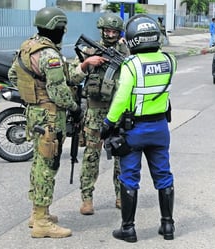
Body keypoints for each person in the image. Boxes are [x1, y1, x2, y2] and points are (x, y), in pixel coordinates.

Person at [99, 14, 176, 243]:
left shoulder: (130, 65)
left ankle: (128, 229)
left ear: (132, 39)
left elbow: (122, 98)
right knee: (163, 175)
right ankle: (168, 225)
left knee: (130, 177)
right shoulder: (170, 60)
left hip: (134, 130)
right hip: (160, 127)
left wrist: (108, 123)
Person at [8, 6, 80, 238]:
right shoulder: (49, 55)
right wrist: (75, 108)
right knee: (47, 167)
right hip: (49, 116)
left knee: (39, 164)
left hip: (34, 113)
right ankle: (41, 222)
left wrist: (34, 92)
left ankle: (38, 213)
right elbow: (59, 93)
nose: (63, 32)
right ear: (56, 28)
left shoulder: (28, 46)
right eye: (62, 28)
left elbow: (12, 75)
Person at [68, 13, 130, 215]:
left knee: (121, 156)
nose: (110, 34)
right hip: (95, 111)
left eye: (114, 31)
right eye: (107, 31)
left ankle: (121, 195)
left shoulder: (127, 53)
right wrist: (86, 64)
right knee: (91, 156)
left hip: (118, 112)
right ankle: (87, 198)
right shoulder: (89, 50)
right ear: (102, 30)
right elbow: (72, 77)